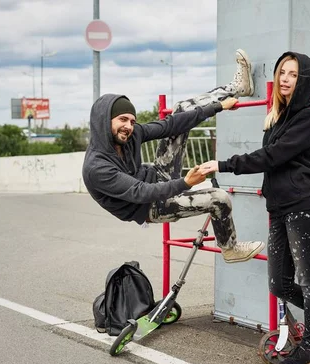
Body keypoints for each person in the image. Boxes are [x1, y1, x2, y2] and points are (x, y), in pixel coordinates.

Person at [199, 51, 310, 364]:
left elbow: (271, 157)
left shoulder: (309, 118)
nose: (285, 78)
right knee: (279, 284)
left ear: (303, 80)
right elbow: (270, 156)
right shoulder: (278, 116)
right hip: (279, 210)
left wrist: (224, 164)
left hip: (305, 208)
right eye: (282, 72)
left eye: (292, 73)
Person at [82, 49, 265, 264]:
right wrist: (186, 183)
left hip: (158, 176)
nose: (128, 126)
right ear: (104, 121)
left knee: (181, 109)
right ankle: (230, 248)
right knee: (219, 199)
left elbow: (170, 125)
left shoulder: (131, 135)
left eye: (132, 121)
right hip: (151, 206)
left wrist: (217, 107)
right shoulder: (97, 167)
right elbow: (141, 192)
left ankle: (236, 88)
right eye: (122, 119)